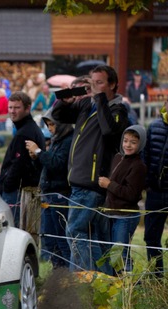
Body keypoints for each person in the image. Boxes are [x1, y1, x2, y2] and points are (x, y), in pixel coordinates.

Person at [52, 65, 129, 273]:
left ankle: (81, 283)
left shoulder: (118, 109)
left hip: (92, 183)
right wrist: (64, 100)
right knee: (92, 237)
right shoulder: (86, 104)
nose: (94, 87)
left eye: (99, 83)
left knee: (75, 231)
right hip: (78, 181)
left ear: (112, 84)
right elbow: (58, 116)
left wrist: (101, 98)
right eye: (92, 83)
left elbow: (109, 131)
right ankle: (102, 281)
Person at [25, 109, 73, 268]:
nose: (50, 128)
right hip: (49, 193)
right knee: (51, 239)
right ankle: (57, 274)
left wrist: (39, 151)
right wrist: (36, 158)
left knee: (62, 238)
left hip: (60, 194)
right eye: (48, 124)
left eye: (53, 124)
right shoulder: (56, 140)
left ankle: (68, 276)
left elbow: (57, 165)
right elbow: (48, 165)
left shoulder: (67, 141)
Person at [98, 125, 147, 273]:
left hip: (125, 216)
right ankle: (115, 285)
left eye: (133, 142)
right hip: (111, 213)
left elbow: (131, 194)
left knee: (121, 254)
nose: (128, 145)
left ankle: (131, 289)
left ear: (141, 144)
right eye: (125, 141)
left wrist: (109, 184)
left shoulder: (139, 166)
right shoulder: (118, 157)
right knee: (111, 253)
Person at [0, 91, 45, 232]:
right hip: (21, 190)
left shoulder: (25, 132)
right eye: (10, 107)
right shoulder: (26, 129)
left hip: (17, 191)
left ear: (27, 108)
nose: (12, 111)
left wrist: (7, 185)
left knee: (14, 231)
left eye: (17, 108)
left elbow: (19, 164)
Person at [143, 91, 168, 276]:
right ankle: (157, 278)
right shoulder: (154, 127)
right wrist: (146, 182)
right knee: (151, 237)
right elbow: (145, 155)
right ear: (166, 103)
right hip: (154, 192)